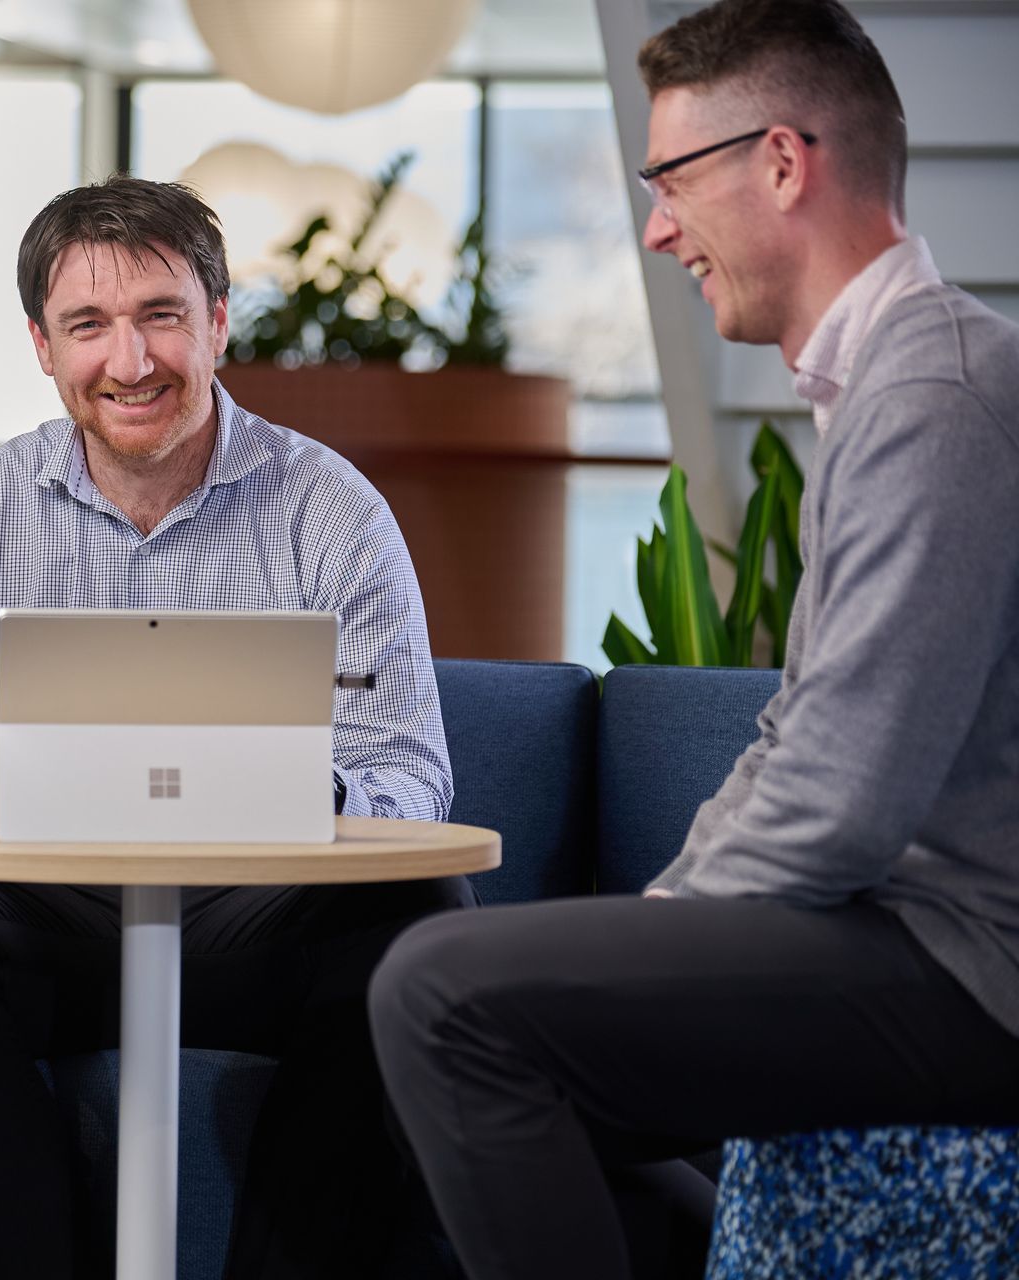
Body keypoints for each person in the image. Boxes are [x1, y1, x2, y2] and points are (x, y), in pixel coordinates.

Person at [367, 2, 1019, 1277]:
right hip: (911, 936)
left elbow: (838, 803)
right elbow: (790, 737)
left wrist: (655, 938)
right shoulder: (887, 384)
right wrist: (661, 921)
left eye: (671, 179)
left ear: (782, 162)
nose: (657, 227)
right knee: (476, 1045)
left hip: (967, 964)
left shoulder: (934, 395)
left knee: (438, 992)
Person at [0, 175, 474, 1279]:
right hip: (50, 922)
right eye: (88, 325)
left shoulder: (333, 508)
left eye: (162, 316)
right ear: (41, 344)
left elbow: (406, 763)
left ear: (218, 322)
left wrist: (320, 798)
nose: (130, 361)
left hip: (262, 927)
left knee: (420, 915)